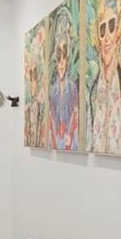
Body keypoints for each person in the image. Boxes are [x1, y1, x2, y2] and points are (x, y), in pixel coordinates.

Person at [86, 0, 121, 155]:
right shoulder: (92, 92)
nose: (106, 36)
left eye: (111, 25)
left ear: (119, 32)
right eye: (102, 29)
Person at [48, 8, 78, 150]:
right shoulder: (52, 89)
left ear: (67, 58)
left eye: (63, 56)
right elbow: (52, 116)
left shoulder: (72, 86)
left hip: (69, 143)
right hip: (56, 141)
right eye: (58, 56)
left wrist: (69, 134)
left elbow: (75, 115)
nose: (61, 62)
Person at [24, 25, 47, 147]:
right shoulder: (27, 110)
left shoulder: (42, 110)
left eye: (35, 75)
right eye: (30, 74)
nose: (32, 81)